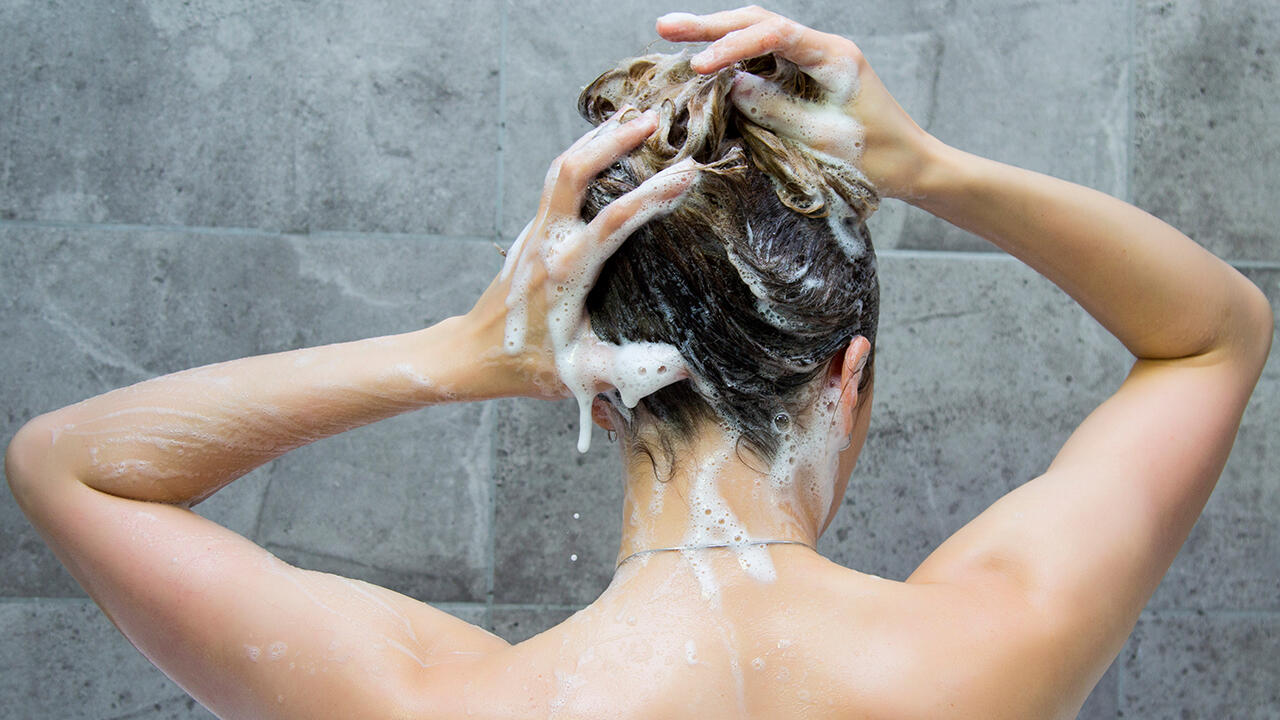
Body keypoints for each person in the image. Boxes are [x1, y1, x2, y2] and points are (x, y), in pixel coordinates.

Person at [5, 7, 1272, 719]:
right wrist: (922, 163)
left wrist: (459, 356)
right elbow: (1211, 333)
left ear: (601, 401)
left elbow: (71, 470)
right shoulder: (991, 650)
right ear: (847, 382)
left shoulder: (438, 705)